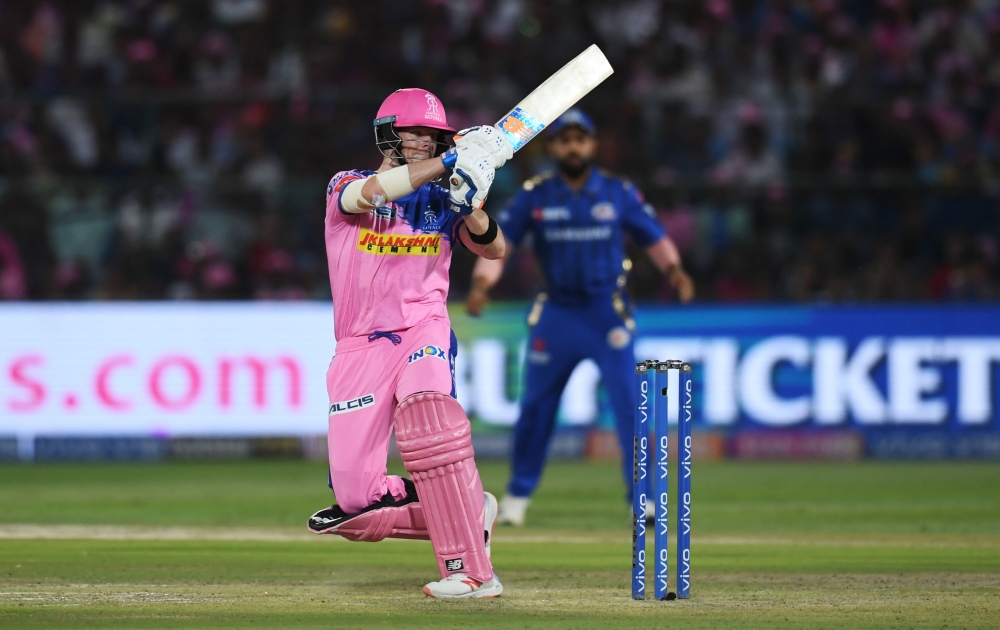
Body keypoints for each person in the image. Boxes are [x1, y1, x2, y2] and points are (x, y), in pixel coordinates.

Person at [306, 88, 513, 598]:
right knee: (355, 505)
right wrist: (448, 161)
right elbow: (368, 196)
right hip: (359, 348)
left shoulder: (445, 198)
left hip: (423, 328)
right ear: (388, 134)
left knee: (428, 415)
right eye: (414, 131)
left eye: (433, 135)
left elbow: (494, 247)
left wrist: (473, 204)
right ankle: (470, 509)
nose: (423, 141)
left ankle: (471, 573)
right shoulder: (347, 184)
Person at [466, 109, 694, 526]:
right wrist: (482, 285)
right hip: (556, 314)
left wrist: (674, 271)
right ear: (553, 147)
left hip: (607, 313)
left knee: (630, 407)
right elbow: (498, 244)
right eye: (564, 140)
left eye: (580, 139)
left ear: (591, 145)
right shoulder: (535, 195)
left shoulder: (617, 192)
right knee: (536, 408)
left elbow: (653, 237)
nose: (573, 146)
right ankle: (517, 496)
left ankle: (640, 499)